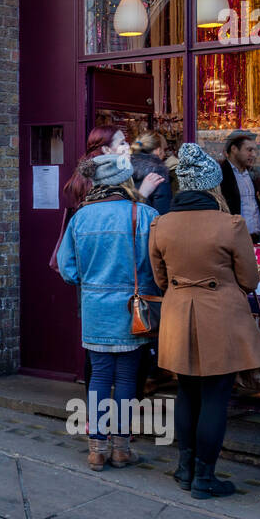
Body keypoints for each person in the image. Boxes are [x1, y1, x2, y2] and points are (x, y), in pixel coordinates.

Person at [149, 143, 260, 498]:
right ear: (213, 185)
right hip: (219, 316)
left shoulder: (161, 224)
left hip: (177, 314)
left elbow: (159, 279)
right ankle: (204, 477)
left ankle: (184, 469)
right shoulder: (231, 224)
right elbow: (249, 280)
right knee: (216, 395)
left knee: (186, 391)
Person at [56, 152, 158, 472]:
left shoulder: (81, 217)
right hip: (133, 309)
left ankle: (96, 449)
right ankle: (121, 448)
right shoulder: (146, 214)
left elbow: (67, 269)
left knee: (99, 376)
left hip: (95, 308)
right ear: (124, 181)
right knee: (127, 378)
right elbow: (157, 268)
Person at [218, 129, 260, 243]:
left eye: (255, 150)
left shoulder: (256, 172)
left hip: (258, 238)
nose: (253, 154)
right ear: (234, 149)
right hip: (233, 240)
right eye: (249, 150)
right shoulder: (220, 173)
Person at [131, 132, 173, 217]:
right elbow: (162, 213)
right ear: (158, 150)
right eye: (164, 150)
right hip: (150, 226)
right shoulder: (158, 174)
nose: (164, 154)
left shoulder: (124, 171)